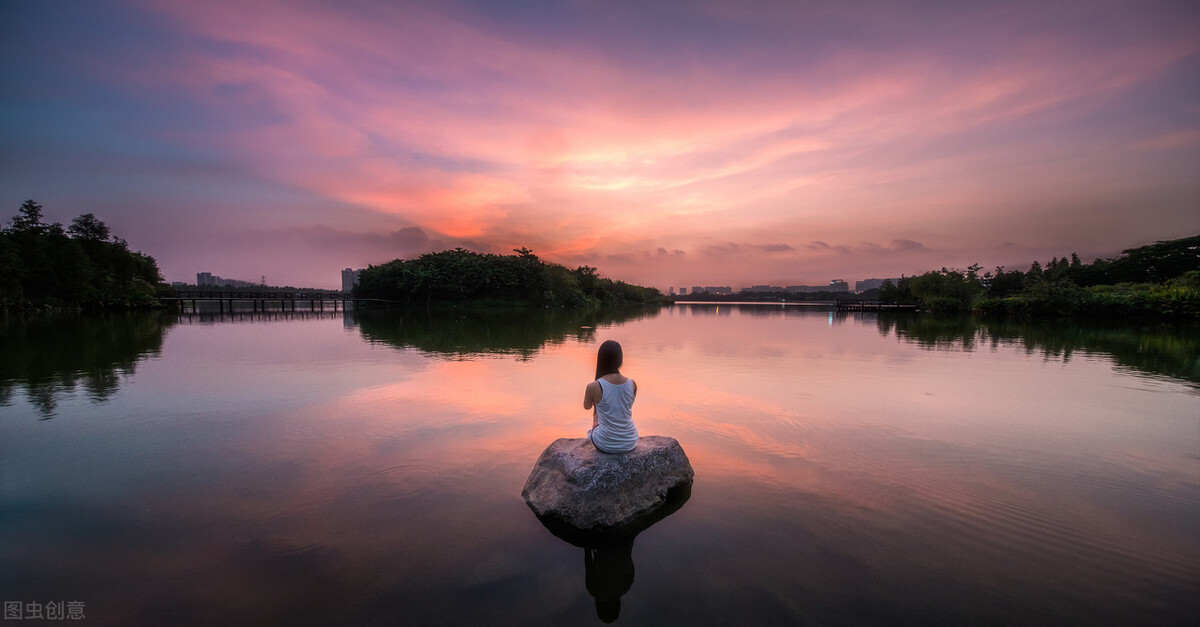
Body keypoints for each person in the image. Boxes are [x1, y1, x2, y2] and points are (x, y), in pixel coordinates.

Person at [583, 340, 638, 453]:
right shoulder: (632, 384)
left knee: (597, 415)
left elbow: (587, 406)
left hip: (605, 444)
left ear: (600, 360)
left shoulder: (594, 386)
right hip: (630, 441)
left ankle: (599, 429)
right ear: (620, 360)